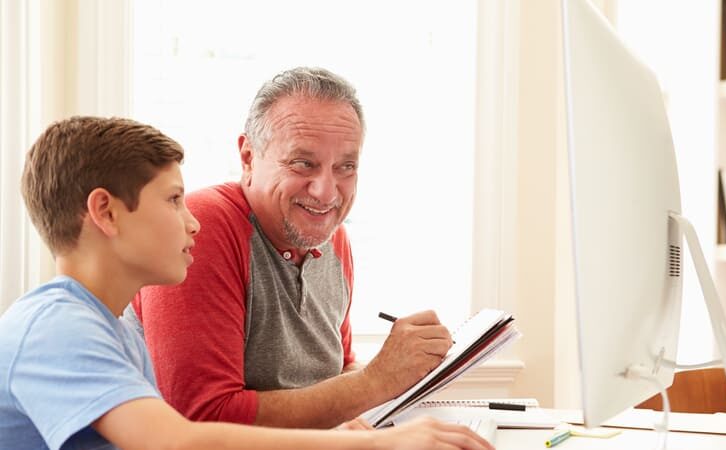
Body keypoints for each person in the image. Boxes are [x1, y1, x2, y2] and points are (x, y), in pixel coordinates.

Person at [0, 116, 492, 450]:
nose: (191, 221)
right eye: (173, 200)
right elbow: (177, 440)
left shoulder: (114, 331)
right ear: (105, 212)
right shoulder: (55, 326)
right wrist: (374, 444)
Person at [123, 67, 454, 428]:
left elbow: (339, 369)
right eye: (303, 163)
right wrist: (376, 381)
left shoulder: (331, 236)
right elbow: (202, 417)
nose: (326, 193)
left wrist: (394, 383)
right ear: (248, 157)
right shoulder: (202, 228)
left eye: (346, 167)